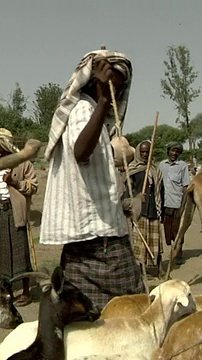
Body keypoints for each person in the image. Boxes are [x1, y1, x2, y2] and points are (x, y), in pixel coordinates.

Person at [39, 49, 144, 311]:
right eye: (109, 86)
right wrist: (103, 102)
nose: (114, 95)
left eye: (118, 91)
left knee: (89, 319)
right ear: (92, 81)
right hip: (102, 239)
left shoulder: (90, 114)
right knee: (134, 311)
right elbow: (81, 152)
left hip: (86, 241)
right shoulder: (84, 110)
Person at [0, 128, 37, 306]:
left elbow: (33, 187)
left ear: (4, 143)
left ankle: (26, 292)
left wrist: (14, 182)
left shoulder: (23, 164)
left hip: (16, 214)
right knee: (2, 253)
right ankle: (7, 291)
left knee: (21, 253)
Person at [123, 141, 163, 277]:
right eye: (143, 152)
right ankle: (139, 271)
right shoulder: (133, 169)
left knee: (156, 241)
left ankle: (158, 268)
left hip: (153, 209)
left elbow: (159, 191)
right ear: (139, 153)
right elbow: (127, 191)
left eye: (148, 152)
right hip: (140, 211)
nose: (146, 154)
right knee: (139, 243)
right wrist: (137, 197)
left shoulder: (154, 169)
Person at [158, 142, 190, 265]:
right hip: (165, 203)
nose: (174, 153)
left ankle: (178, 253)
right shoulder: (161, 165)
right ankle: (172, 249)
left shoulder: (182, 166)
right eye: (172, 150)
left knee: (177, 231)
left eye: (177, 151)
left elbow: (185, 187)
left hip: (177, 203)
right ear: (168, 151)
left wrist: (183, 205)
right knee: (168, 230)